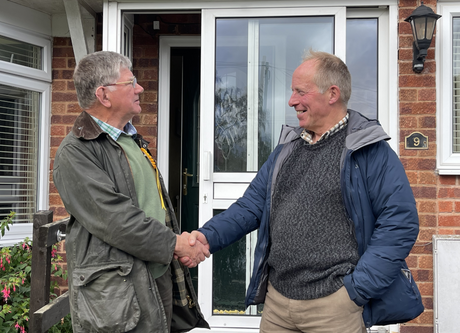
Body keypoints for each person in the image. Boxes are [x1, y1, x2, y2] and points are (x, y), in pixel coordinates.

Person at [184, 50, 423, 332]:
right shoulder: (288, 149)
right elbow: (250, 206)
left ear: (332, 94)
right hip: (277, 304)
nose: (291, 100)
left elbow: (400, 223)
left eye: (300, 92)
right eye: (292, 91)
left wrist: (356, 292)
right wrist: (206, 237)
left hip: (335, 307)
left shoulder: (369, 151)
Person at [53, 51, 210, 333]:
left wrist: (174, 245)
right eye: (131, 82)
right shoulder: (75, 152)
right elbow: (115, 219)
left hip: (155, 275)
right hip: (117, 294)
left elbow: (153, 207)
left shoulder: (130, 138)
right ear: (104, 95)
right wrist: (177, 244)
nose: (139, 88)